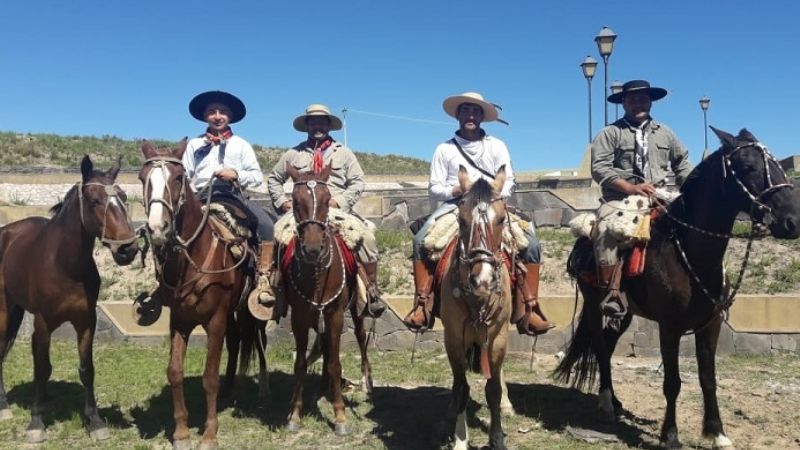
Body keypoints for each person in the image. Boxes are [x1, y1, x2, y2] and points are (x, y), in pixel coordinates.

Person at [402, 92, 554, 335]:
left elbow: (509, 180)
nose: (470, 115)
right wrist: (458, 189)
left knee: (532, 243)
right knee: (421, 240)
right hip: (457, 205)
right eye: (465, 111)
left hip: (492, 204)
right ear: (458, 115)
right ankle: (422, 304)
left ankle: (530, 308)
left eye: (475, 111)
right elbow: (434, 187)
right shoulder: (444, 149)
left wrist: (492, 193)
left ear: (482, 116)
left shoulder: (496, 146)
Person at [267, 104, 386, 318]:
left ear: (329, 125)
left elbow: (358, 182)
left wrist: (339, 201)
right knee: (277, 233)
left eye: (322, 121)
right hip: (302, 212)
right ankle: (275, 289)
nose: (317, 125)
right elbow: (274, 179)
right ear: (307, 126)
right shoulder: (292, 154)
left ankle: (371, 290)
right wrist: (283, 202)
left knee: (366, 237)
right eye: (313, 121)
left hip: (335, 210)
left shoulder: (344, 154)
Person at [590, 80, 692, 317]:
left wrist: (691, 191)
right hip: (620, 199)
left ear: (650, 101)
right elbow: (600, 168)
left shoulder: (666, 133)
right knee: (605, 232)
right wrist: (630, 187)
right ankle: (611, 293)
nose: (638, 103)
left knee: (698, 227)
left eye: (643, 98)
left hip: (662, 195)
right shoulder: (610, 133)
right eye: (632, 99)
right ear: (624, 103)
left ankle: (712, 288)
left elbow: (683, 163)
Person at [183, 90, 276, 304]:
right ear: (205, 116)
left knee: (266, 225)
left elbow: (256, 177)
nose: (217, 116)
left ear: (230, 117)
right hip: (200, 197)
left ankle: (263, 276)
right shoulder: (194, 145)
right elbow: (185, 176)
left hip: (233, 196)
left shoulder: (241, 144)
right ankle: (162, 282)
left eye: (222, 111)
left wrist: (236, 174)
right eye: (212, 111)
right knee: (167, 226)